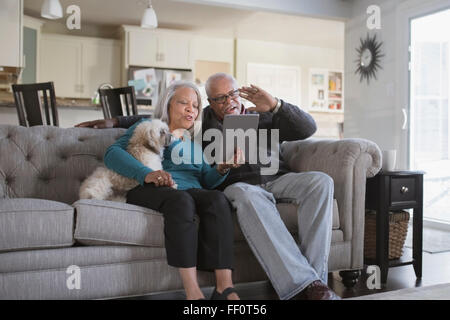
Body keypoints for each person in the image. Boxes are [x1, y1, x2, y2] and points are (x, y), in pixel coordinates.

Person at [76, 73, 340, 300]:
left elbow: (308, 128)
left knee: (321, 182)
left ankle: (314, 285)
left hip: (279, 179)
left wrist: (275, 105)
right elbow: (163, 116)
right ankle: (301, 285)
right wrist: (114, 121)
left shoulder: (265, 115)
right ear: (210, 104)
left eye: (233, 94)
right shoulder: (202, 123)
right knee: (239, 196)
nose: (229, 102)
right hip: (241, 186)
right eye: (220, 99)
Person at [102, 81, 242, 300]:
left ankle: (225, 287)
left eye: (195, 105)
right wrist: (145, 174)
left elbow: (206, 179)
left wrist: (222, 168)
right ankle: (193, 293)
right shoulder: (149, 125)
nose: (191, 109)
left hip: (189, 189)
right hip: (152, 188)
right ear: (167, 104)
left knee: (217, 199)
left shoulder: (194, 140)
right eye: (183, 102)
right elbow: (112, 153)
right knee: (181, 201)